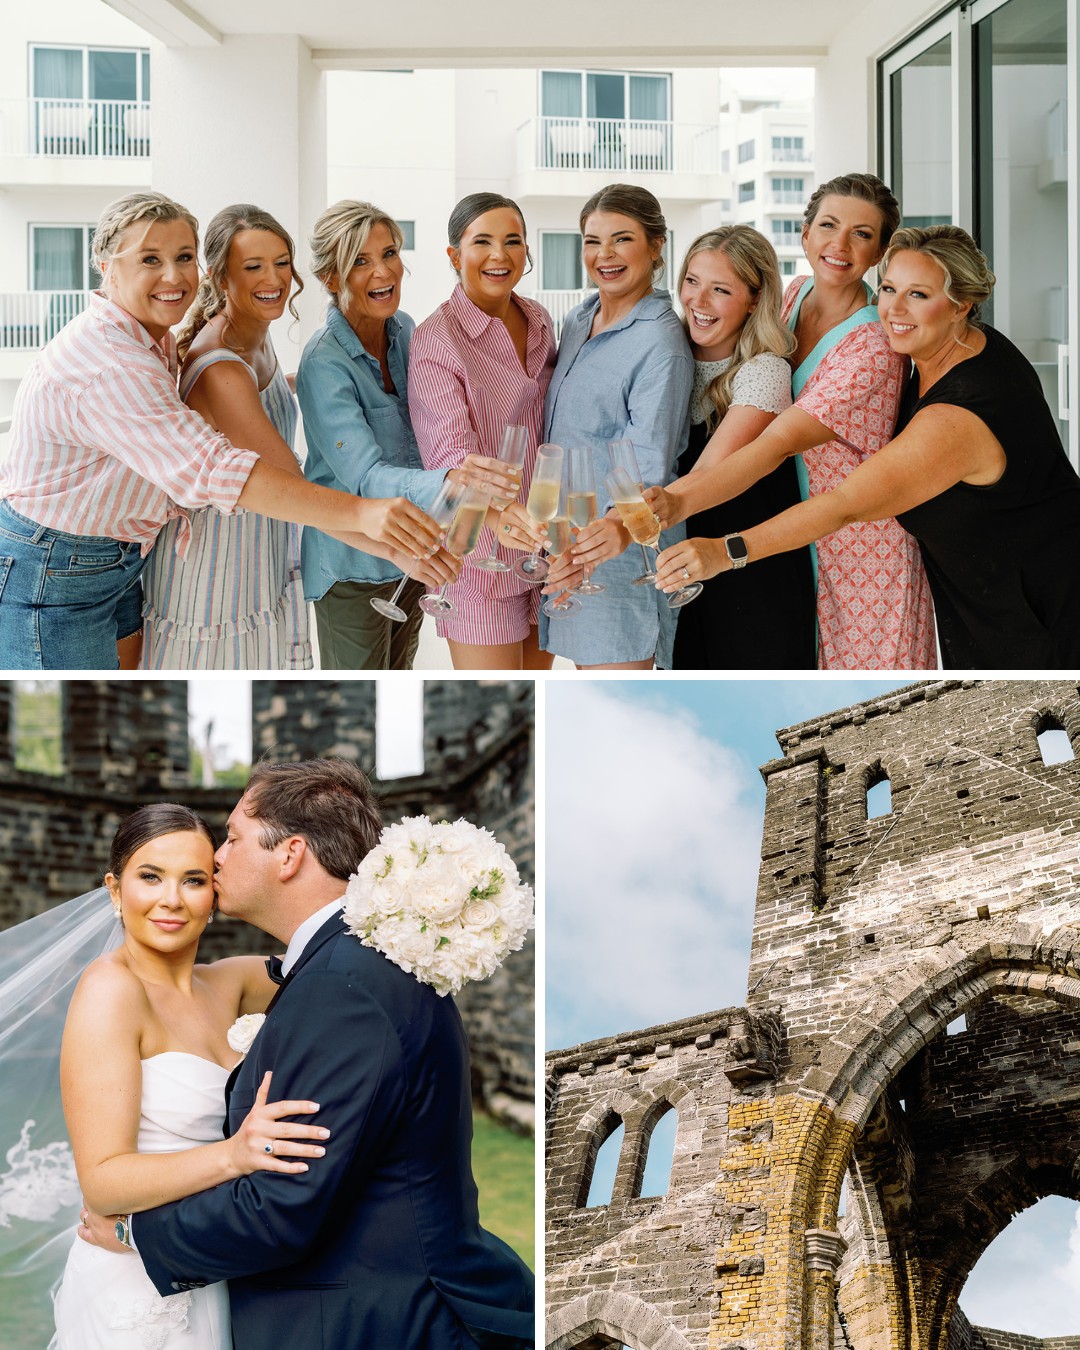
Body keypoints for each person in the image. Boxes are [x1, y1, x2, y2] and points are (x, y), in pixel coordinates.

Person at [81, 759, 535, 1349]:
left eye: (233, 839)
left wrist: (138, 1235)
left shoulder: (342, 983)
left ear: (290, 854)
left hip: (376, 1324)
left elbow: (282, 1207)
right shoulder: (344, 967)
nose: (217, 859)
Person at [0, 191, 454, 671]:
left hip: (124, 561)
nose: (173, 275)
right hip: (70, 568)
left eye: (183, 257)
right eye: (150, 259)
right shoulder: (121, 364)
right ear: (105, 264)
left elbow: (234, 414)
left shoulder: (173, 338)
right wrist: (378, 531)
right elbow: (223, 469)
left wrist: (321, 384)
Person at [655, 225, 1080, 669]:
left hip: (1043, 610)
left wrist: (724, 552)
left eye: (918, 295)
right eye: (889, 288)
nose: (893, 308)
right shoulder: (970, 346)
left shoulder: (955, 418)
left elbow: (842, 504)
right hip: (996, 595)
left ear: (962, 305)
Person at [52, 803, 327, 1348]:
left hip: (213, 1268)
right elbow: (103, 1182)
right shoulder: (110, 990)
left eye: (194, 880)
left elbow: (340, 956)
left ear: (216, 894)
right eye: (150, 877)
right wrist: (233, 1156)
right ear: (114, 888)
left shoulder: (235, 982)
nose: (172, 899)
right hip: (131, 1281)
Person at [650, 173, 936, 670]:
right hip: (790, 533)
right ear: (804, 234)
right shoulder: (793, 296)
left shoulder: (874, 346)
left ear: (881, 252)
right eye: (827, 225)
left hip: (857, 552)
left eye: (862, 234)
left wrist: (672, 504)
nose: (839, 245)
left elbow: (775, 446)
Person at [297, 200, 518, 669]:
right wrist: (451, 482)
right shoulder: (323, 362)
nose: (383, 271)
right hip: (353, 568)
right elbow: (366, 477)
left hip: (415, 555)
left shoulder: (406, 331)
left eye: (390, 252)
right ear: (330, 278)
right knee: (355, 702)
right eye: (360, 260)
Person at [140, 205, 313, 670]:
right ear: (219, 278)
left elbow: (263, 404)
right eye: (253, 267)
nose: (273, 278)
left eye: (281, 261)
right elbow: (292, 482)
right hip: (216, 571)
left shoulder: (255, 333)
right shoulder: (220, 367)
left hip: (257, 551)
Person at [531, 183, 693, 670]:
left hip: (620, 554)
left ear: (656, 244)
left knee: (618, 707)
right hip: (568, 544)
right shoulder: (579, 320)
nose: (604, 255)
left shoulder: (661, 342)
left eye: (621, 239)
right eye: (591, 241)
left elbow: (648, 466)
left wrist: (590, 547)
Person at [409, 192, 557, 670]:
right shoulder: (437, 338)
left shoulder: (538, 319)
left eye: (513, 241)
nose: (500, 255)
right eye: (483, 242)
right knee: (500, 714)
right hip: (479, 559)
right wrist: (503, 519)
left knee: (537, 706)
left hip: (544, 551)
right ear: (455, 255)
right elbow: (450, 460)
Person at [668, 225, 815, 669]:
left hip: (752, 581)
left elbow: (704, 481)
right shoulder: (668, 358)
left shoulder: (764, 371)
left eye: (720, 290)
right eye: (692, 282)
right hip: (686, 575)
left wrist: (622, 523)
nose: (698, 301)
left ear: (754, 299)